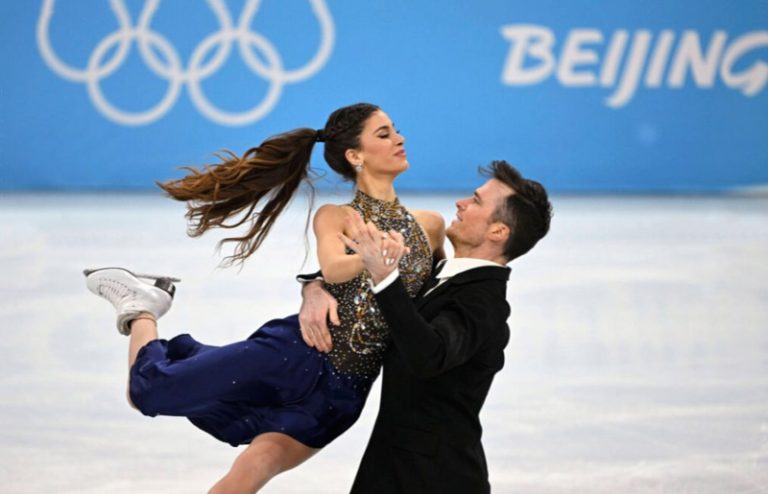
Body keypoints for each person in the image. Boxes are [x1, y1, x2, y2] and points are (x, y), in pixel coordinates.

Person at [83, 102, 445, 493]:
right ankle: (143, 308)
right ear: (354, 155)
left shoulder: (430, 226)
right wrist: (367, 263)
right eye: (384, 133)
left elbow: (444, 291)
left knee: (254, 468)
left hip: (343, 393)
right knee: (146, 393)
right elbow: (334, 266)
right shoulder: (335, 216)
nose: (399, 138)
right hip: (294, 356)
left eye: (395, 130)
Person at [299, 160, 552, 493]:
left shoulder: (484, 304)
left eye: (476, 201)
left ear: (498, 232)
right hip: (390, 464)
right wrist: (314, 288)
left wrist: (384, 275)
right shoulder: (443, 276)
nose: (461, 203)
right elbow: (367, 289)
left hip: (436, 477)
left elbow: (429, 355)